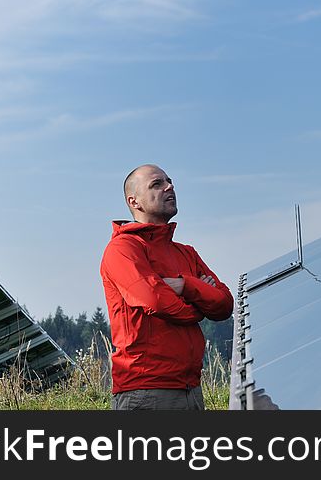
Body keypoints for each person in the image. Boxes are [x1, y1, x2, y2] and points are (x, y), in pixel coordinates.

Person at [100, 164, 234, 410]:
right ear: (134, 201)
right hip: (146, 392)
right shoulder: (123, 249)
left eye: (169, 181)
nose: (169, 187)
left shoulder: (186, 253)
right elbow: (156, 301)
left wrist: (186, 286)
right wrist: (199, 308)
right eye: (157, 184)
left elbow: (225, 304)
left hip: (191, 390)